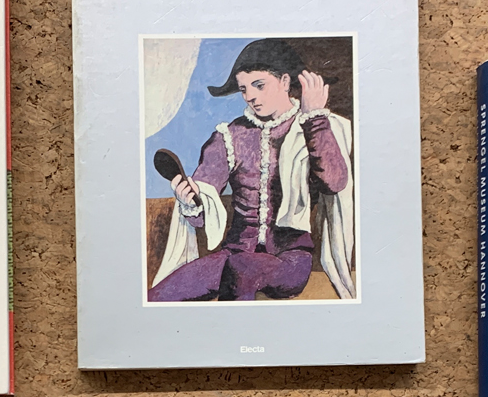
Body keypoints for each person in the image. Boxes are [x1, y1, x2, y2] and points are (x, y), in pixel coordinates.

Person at [150, 39, 356, 301]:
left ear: (284, 81)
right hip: (234, 253)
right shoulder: (230, 136)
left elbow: (335, 182)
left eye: (259, 85)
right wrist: (190, 200)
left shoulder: (313, 126)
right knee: (162, 294)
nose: (250, 96)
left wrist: (314, 120)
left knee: (243, 267)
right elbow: (203, 210)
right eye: (243, 89)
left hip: (289, 260)